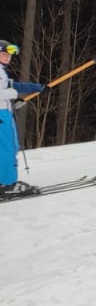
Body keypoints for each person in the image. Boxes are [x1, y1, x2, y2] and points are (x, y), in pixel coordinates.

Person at [0, 38, 45, 197]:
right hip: (1, 115)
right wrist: (13, 95)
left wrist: (36, 87)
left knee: (8, 147)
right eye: (3, 54)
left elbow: (14, 85)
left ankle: (4, 181)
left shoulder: (2, 72)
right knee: (7, 148)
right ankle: (7, 184)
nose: (7, 57)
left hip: (4, 113)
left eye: (9, 55)